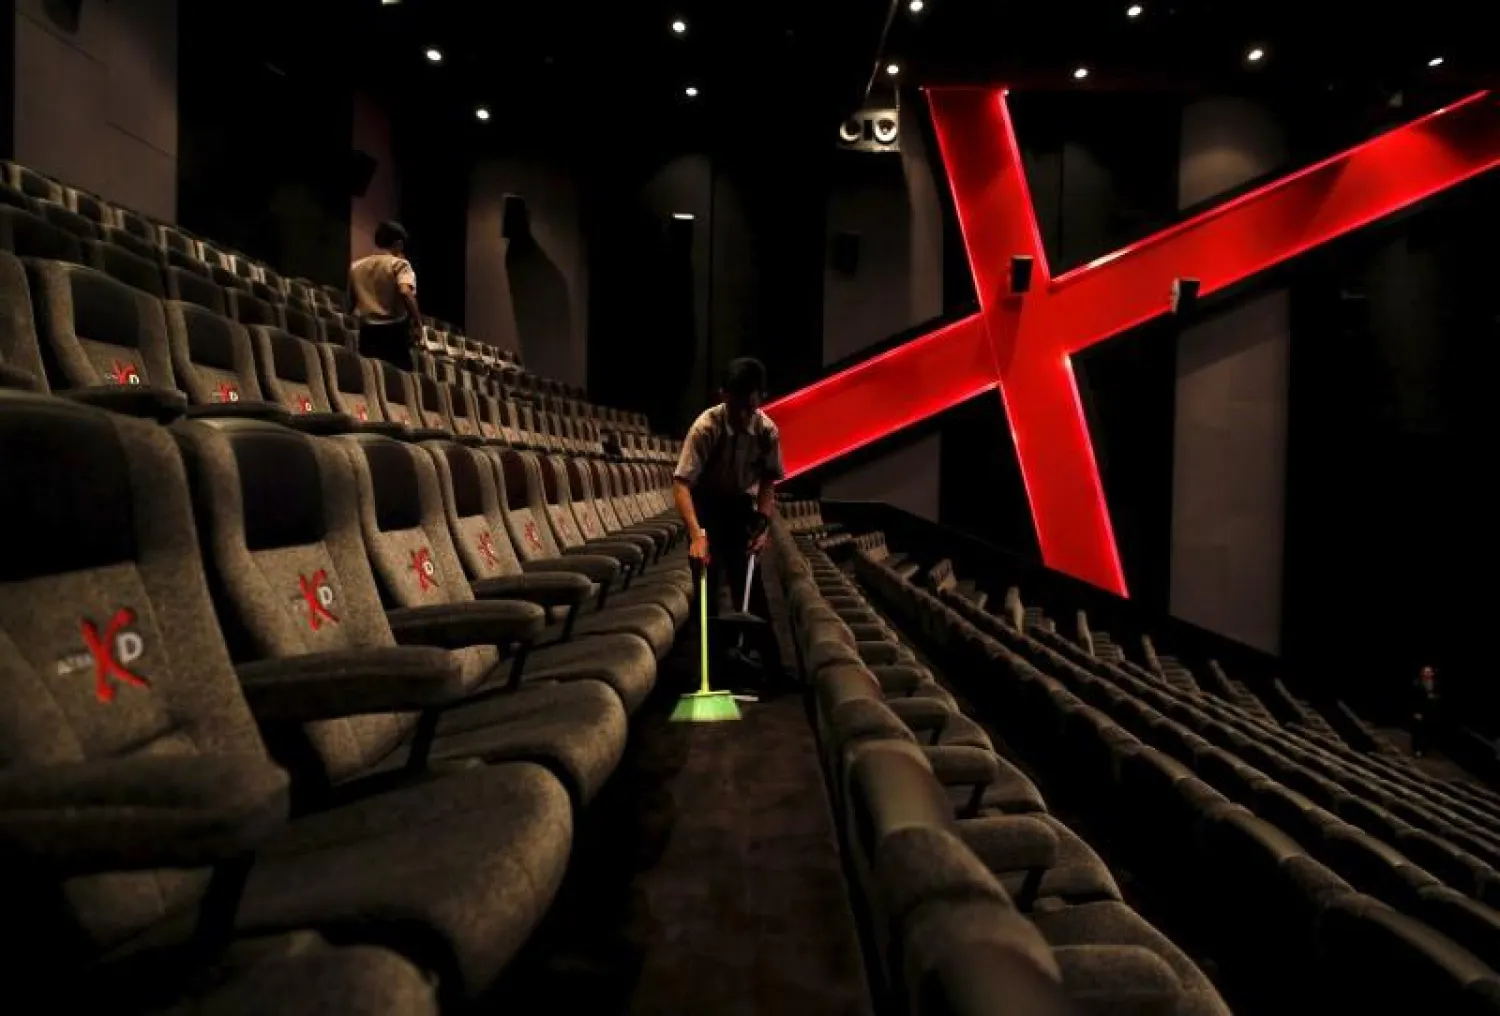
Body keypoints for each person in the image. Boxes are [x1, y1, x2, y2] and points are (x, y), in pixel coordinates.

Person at [673, 357, 785, 630]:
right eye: (737, 407)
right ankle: (708, 655)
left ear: (760, 398)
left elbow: (768, 480)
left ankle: (749, 653)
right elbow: (681, 484)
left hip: (739, 506)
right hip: (706, 505)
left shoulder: (767, 431)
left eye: (750, 407)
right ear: (724, 396)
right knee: (706, 584)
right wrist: (696, 535)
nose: (744, 416)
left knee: (748, 583)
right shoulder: (705, 427)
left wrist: (763, 522)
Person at [348, 221, 422, 371]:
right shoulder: (400, 264)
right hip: (393, 332)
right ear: (399, 244)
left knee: (371, 377)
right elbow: (405, 291)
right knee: (400, 381)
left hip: (366, 332)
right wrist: (417, 322)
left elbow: (351, 300)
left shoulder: (355, 266)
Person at [1412, 665, 1441, 757]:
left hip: (1431, 712)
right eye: (1426, 672)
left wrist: (1434, 698)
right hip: (1420, 711)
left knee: (1428, 731)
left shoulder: (1435, 684)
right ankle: (1417, 749)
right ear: (1422, 673)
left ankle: (1425, 749)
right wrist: (1416, 712)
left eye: (1430, 672)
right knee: (1419, 731)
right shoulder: (1417, 683)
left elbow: (1439, 696)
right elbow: (1414, 699)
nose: (1428, 674)